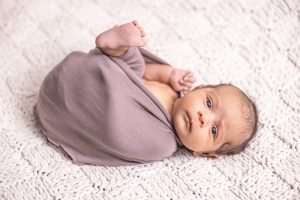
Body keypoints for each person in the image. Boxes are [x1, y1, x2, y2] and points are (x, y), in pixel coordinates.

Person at [34, 20, 258, 166]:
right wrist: (168, 75)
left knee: (134, 70)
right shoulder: (173, 88)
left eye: (213, 130)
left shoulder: (162, 143)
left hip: (65, 104)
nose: (204, 117)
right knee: (138, 66)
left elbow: (115, 131)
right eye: (209, 104)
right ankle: (115, 46)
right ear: (199, 89)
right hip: (90, 73)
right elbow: (142, 74)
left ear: (204, 153)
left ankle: (114, 51)